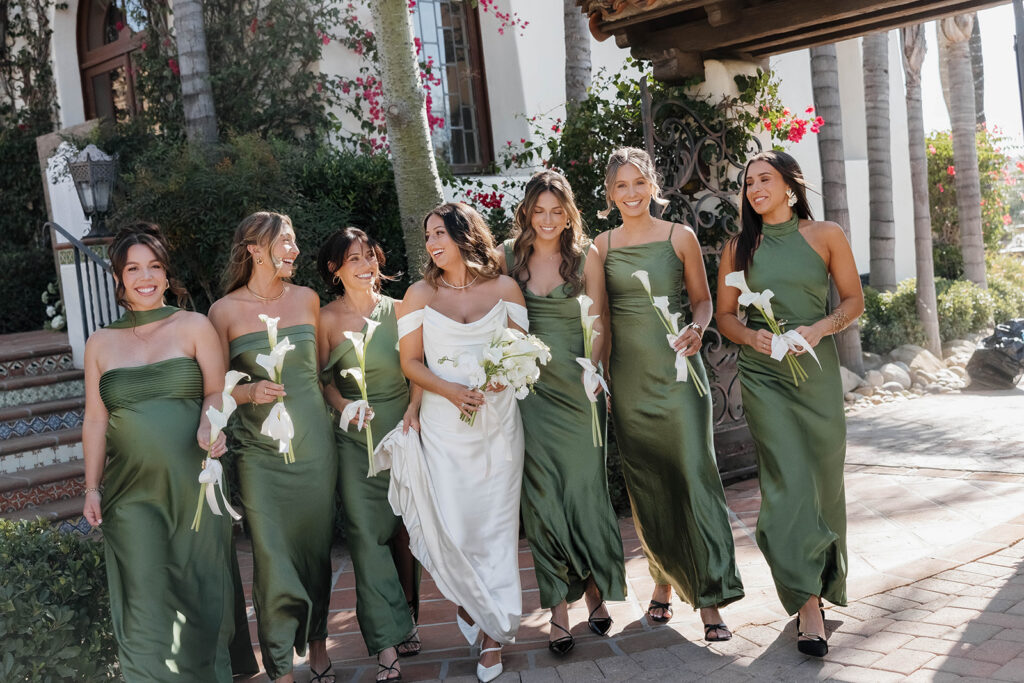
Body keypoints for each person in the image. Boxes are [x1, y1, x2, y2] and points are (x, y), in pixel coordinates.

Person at [81, 224, 256, 681]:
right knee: (143, 597)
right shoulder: (100, 342)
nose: (145, 277)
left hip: (193, 483)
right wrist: (91, 487)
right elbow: (96, 419)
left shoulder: (192, 326)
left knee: (200, 592)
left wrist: (208, 421)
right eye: (133, 268)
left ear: (165, 273)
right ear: (119, 278)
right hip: (129, 491)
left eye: (154, 266)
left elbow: (216, 392)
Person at [716, 150, 863, 657]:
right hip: (764, 378)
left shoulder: (826, 236)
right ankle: (806, 604)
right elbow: (725, 317)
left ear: (789, 186)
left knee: (822, 483)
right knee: (788, 481)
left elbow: (852, 300)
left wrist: (818, 329)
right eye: (748, 182)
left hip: (816, 375)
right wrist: (752, 338)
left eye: (764, 179)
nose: (754, 189)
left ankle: (820, 584)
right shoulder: (738, 247)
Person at [594, 147, 744, 640]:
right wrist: (604, 379)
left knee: (694, 478)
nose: (631, 193)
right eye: (621, 186)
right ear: (610, 193)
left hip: (681, 376)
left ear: (652, 184)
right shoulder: (601, 246)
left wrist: (698, 331)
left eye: (639, 182)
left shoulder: (679, 235)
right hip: (630, 380)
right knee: (649, 485)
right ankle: (662, 582)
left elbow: (702, 301)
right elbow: (603, 320)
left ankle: (711, 598)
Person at [376, 202, 527, 683]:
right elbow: (411, 363)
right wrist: (448, 393)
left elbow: (522, 351)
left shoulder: (505, 288)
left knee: (498, 529)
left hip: (499, 426)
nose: (433, 243)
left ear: (466, 234)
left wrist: (502, 381)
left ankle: (491, 639)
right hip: (445, 427)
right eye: (428, 237)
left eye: (441, 233)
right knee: (457, 529)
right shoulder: (418, 295)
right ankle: (472, 604)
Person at [497, 171, 626, 654]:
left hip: (578, 390)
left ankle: (594, 589)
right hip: (530, 394)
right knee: (543, 500)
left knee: (585, 492)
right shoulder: (508, 257)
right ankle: (557, 611)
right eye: (539, 210)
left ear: (568, 213)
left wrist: (597, 371)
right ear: (527, 213)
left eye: (557, 210)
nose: (548, 220)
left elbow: (599, 320)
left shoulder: (584, 256)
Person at [208, 212, 337, 683]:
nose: (295, 250)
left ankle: (319, 642)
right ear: (254, 248)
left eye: (296, 241)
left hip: (314, 446)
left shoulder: (307, 299)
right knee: (271, 552)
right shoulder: (222, 312)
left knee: (314, 545)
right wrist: (247, 393)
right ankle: (281, 664)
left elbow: (320, 373)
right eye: (285, 241)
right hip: (258, 453)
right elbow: (216, 388)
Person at [316, 227, 422, 682]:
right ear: (334, 270)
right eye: (353, 260)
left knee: (407, 532)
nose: (364, 266)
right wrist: (343, 407)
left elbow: (420, 367)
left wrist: (415, 413)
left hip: (403, 431)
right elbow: (321, 380)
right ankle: (385, 644)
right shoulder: (323, 320)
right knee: (365, 536)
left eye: (369, 257)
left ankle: (408, 618)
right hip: (353, 440)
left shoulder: (401, 310)